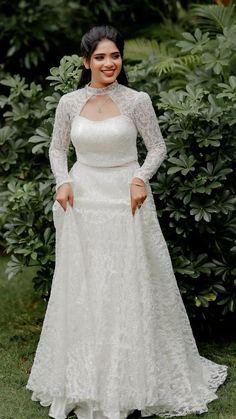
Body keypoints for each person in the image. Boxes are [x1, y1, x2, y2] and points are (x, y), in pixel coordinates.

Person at [26, 25, 227, 419]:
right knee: (87, 285)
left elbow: (156, 147)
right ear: (86, 62)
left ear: (121, 58)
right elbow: (56, 148)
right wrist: (63, 181)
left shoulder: (137, 101)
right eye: (100, 57)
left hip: (126, 198)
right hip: (84, 200)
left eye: (114, 55)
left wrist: (140, 179)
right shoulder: (69, 102)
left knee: (126, 283)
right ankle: (85, 378)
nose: (109, 63)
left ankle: (133, 378)